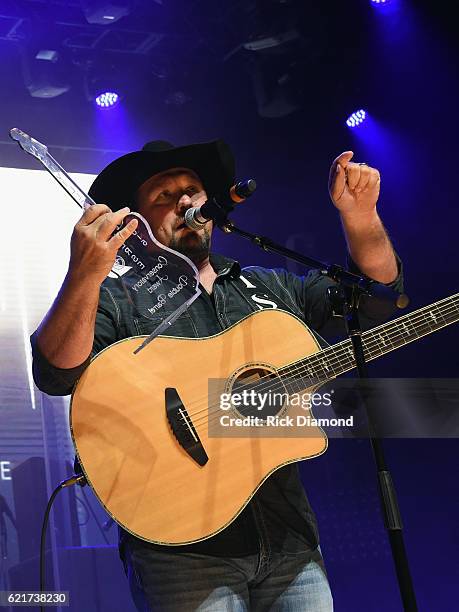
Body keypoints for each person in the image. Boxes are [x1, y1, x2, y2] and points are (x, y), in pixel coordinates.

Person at [30, 139, 403, 611]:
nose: (184, 201)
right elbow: (55, 374)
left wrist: (362, 217)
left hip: (290, 539)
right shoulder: (116, 297)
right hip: (181, 551)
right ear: (137, 226)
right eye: (163, 197)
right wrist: (83, 276)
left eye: (191, 190)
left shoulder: (265, 286)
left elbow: (375, 300)